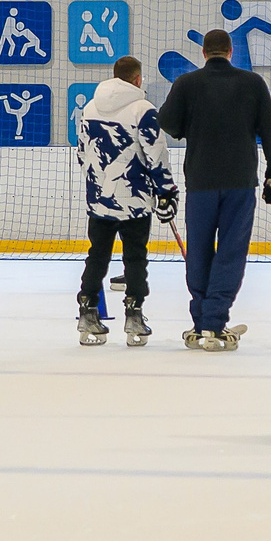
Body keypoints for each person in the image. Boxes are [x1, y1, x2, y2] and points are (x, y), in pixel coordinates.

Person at [159, 28, 271, 351]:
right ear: (230, 52)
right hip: (239, 181)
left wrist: (187, 126)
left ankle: (202, 322)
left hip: (200, 179)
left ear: (204, 53)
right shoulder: (252, 83)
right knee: (231, 250)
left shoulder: (186, 83)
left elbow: (167, 122)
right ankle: (214, 323)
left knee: (199, 249)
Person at [74, 55, 178, 347]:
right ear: (137, 79)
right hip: (134, 200)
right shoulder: (143, 110)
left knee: (97, 255)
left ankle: (87, 311)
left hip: (99, 198)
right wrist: (166, 192)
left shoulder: (90, 107)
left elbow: (82, 151)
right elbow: (156, 155)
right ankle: (134, 315)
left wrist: (96, 183)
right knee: (135, 257)